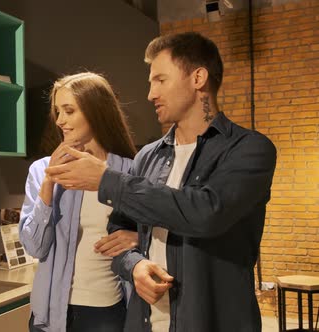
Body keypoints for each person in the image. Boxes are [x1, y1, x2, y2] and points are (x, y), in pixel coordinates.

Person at [44, 32, 277, 332]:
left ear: (198, 78)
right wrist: (134, 265)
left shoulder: (249, 149)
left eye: (160, 80)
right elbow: (119, 232)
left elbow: (205, 213)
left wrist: (107, 180)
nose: (150, 94)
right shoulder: (147, 157)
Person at [19, 72, 139, 332]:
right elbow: (35, 247)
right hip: (51, 315)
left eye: (69, 110)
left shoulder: (130, 171)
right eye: (57, 112)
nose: (60, 121)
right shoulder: (41, 170)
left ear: (97, 111)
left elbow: (160, 237)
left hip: (106, 312)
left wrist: (139, 237)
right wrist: (49, 182)